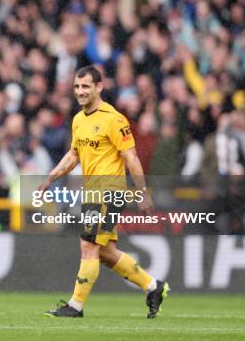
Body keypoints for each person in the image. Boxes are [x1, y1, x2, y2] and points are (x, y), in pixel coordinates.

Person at [39, 66, 169, 319]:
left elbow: (130, 156)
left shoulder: (114, 118)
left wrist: (142, 191)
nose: (80, 91)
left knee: (87, 245)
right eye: (77, 86)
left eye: (86, 86)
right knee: (106, 253)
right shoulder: (79, 119)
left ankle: (75, 306)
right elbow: (74, 154)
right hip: (92, 192)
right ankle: (153, 286)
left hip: (109, 191)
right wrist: (51, 177)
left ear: (100, 87)